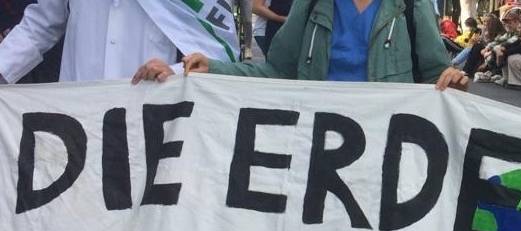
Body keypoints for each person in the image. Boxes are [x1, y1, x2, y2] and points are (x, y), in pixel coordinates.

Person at [175, 0, 468, 90]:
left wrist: (454, 83)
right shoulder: (311, 5)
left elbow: (435, 77)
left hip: (388, 149)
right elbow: (277, 71)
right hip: (318, 153)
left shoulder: (412, 6)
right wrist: (214, 69)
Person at [0, 0, 238, 84]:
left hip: (151, 107)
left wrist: (173, 72)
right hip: (76, 108)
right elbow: (40, 25)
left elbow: (214, 55)